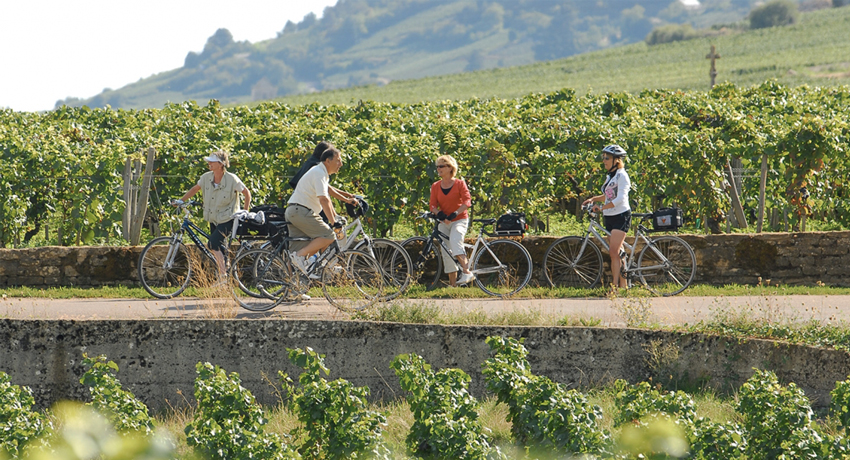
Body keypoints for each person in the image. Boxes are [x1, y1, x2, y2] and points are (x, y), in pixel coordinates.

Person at [175, 150, 251, 284]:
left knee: (212, 244)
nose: (209, 163)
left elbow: (246, 193)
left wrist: (245, 212)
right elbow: (195, 189)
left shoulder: (232, 179)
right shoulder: (206, 177)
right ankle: (225, 279)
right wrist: (181, 200)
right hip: (214, 218)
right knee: (220, 248)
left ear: (221, 164)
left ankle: (222, 278)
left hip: (228, 218)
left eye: (212, 161)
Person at [286, 146, 356, 274]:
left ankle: (293, 290)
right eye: (338, 160)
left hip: (295, 212)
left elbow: (329, 189)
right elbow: (324, 199)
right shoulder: (319, 173)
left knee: (296, 256)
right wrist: (334, 222)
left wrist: (347, 198)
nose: (341, 164)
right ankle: (301, 257)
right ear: (327, 161)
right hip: (301, 211)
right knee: (328, 235)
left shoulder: (320, 172)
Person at [582, 144, 631, 291]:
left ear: (616, 160)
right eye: (603, 157)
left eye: (607, 158)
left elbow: (620, 199)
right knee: (618, 252)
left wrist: (602, 207)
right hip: (609, 216)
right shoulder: (611, 176)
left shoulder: (622, 175)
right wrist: (593, 199)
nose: (604, 160)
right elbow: (608, 196)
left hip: (620, 216)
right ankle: (624, 286)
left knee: (614, 253)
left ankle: (614, 287)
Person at [430, 155, 474, 287]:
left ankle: (466, 272)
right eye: (437, 166)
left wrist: (455, 213)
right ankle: (453, 285)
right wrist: (439, 214)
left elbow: (467, 201)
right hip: (444, 222)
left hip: (459, 220)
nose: (438, 169)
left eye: (441, 166)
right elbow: (432, 205)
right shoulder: (436, 186)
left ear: (450, 168)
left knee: (455, 241)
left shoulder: (460, 184)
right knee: (445, 251)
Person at [289, 141, 358, 220]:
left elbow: (327, 188)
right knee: (327, 226)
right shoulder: (317, 168)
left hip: (301, 205)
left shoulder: (312, 163)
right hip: (306, 207)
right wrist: (346, 199)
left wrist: (348, 196)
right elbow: (327, 191)